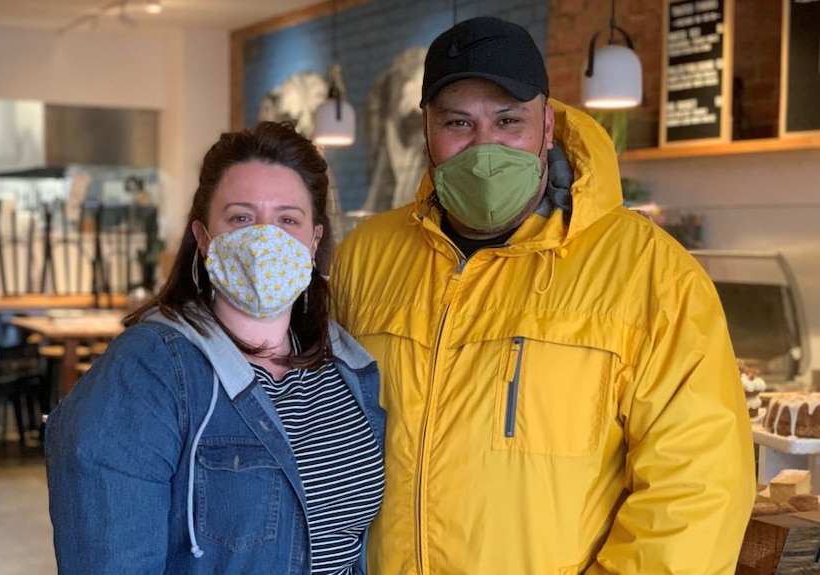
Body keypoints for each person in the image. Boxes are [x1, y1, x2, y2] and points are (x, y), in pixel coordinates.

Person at [330, 16, 754, 575]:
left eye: (509, 120)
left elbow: (698, 492)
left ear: (548, 125)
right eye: (459, 122)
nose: (485, 148)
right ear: (426, 130)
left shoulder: (653, 276)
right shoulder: (367, 257)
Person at [46, 121, 385, 575]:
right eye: (241, 218)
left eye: (288, 219)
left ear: (314, 241)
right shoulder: (146, 373)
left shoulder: (348, 368)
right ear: (205, 239)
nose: (265, 240)